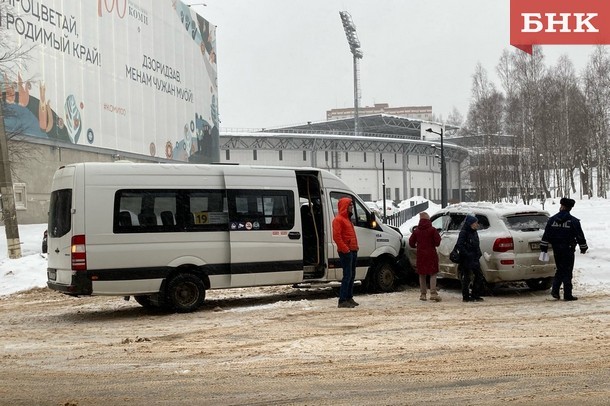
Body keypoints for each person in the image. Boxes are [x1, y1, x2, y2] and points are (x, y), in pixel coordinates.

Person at [540, 197, 588, 301]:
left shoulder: (552, 220)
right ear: (570, 208)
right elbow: (580, 236)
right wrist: (583, 247)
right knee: (567, 270)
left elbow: (546, 235)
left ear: (561, 206)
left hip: (557, 249)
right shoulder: (574, 221)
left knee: (560, 269)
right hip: (568, 249)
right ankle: (567, 294)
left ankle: (555, 290)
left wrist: (543, 248)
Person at [408, 212, 442, 301]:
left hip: (421, 255)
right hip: (431, 254)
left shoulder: (416, 231)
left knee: (422, 274)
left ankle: (423, 294)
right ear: (428, 220)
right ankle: (433, 293)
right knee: (433, 273)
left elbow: (411, 242)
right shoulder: (432, 230)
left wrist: (416, 246)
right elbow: (438, 242)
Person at [332, 197, 359, 308]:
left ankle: (349, 297)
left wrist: (355, 247)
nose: (352, 207)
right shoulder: (338, 220)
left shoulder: (347, 219)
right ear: (345, 206)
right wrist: (345, 249)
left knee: (351, 275)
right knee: (347, 275)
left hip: (352, 250)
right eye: (350, 205)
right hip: (346, 252)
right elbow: (337, 237)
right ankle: (342, 300)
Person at [456, 215, 485, 302]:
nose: (477, 224)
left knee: (479, 276)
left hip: (474, 258)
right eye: (475, 223)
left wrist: (478, 253)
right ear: (470, 224)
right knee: (467, 277)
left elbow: (476, 244)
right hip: (466, 259)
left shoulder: (474, 232)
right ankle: (466, 296)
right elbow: (459, 245)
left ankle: (475, 294)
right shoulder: (464, 232)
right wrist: (467, 254)